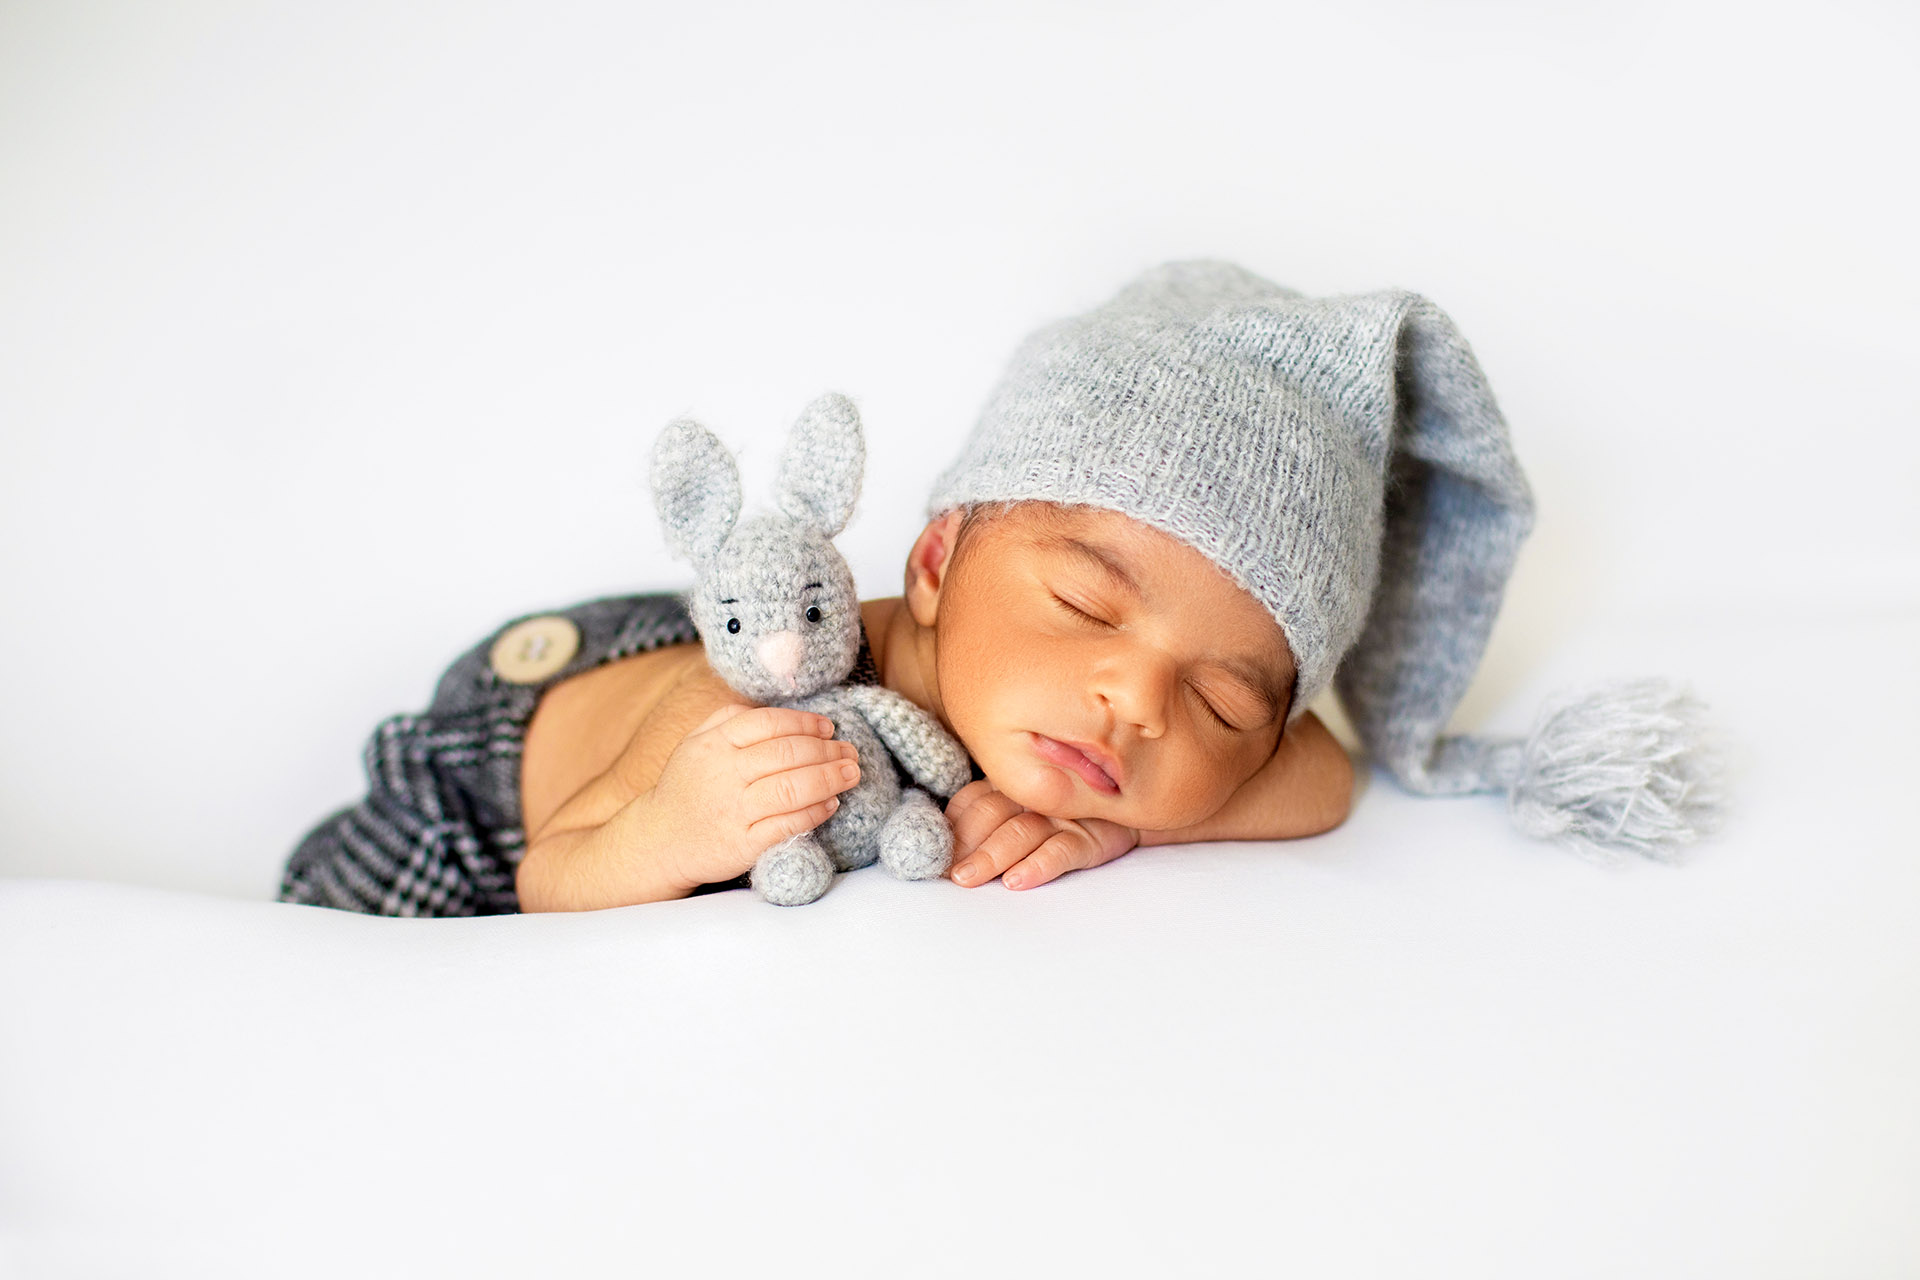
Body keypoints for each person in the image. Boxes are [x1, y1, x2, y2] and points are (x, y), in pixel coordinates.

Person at [280, 260, 1717, 916]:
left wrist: (1118, 822)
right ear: (938, 558)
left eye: (1225, 695)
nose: (1139, 701)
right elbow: (555, 874)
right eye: (1091, 605)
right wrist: (676, 825)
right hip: (499, 787)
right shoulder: (772, 707)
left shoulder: (1135, 735)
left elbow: (1321, 775)